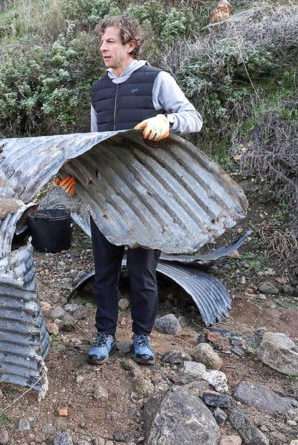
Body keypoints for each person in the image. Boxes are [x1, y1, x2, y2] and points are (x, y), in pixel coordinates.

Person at [60, 16, 202, 366]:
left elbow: (193, 117)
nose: (103, 48)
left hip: (147, 197)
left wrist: (166, 121)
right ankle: (105, 334)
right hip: (106, 195)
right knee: (104, 270)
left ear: (130, 44)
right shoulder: (98, 90)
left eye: (110, 41)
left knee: (142, 272)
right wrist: (77, 176)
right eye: (101, 42)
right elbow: (93, 143)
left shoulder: (157, 80)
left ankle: (142, 336)